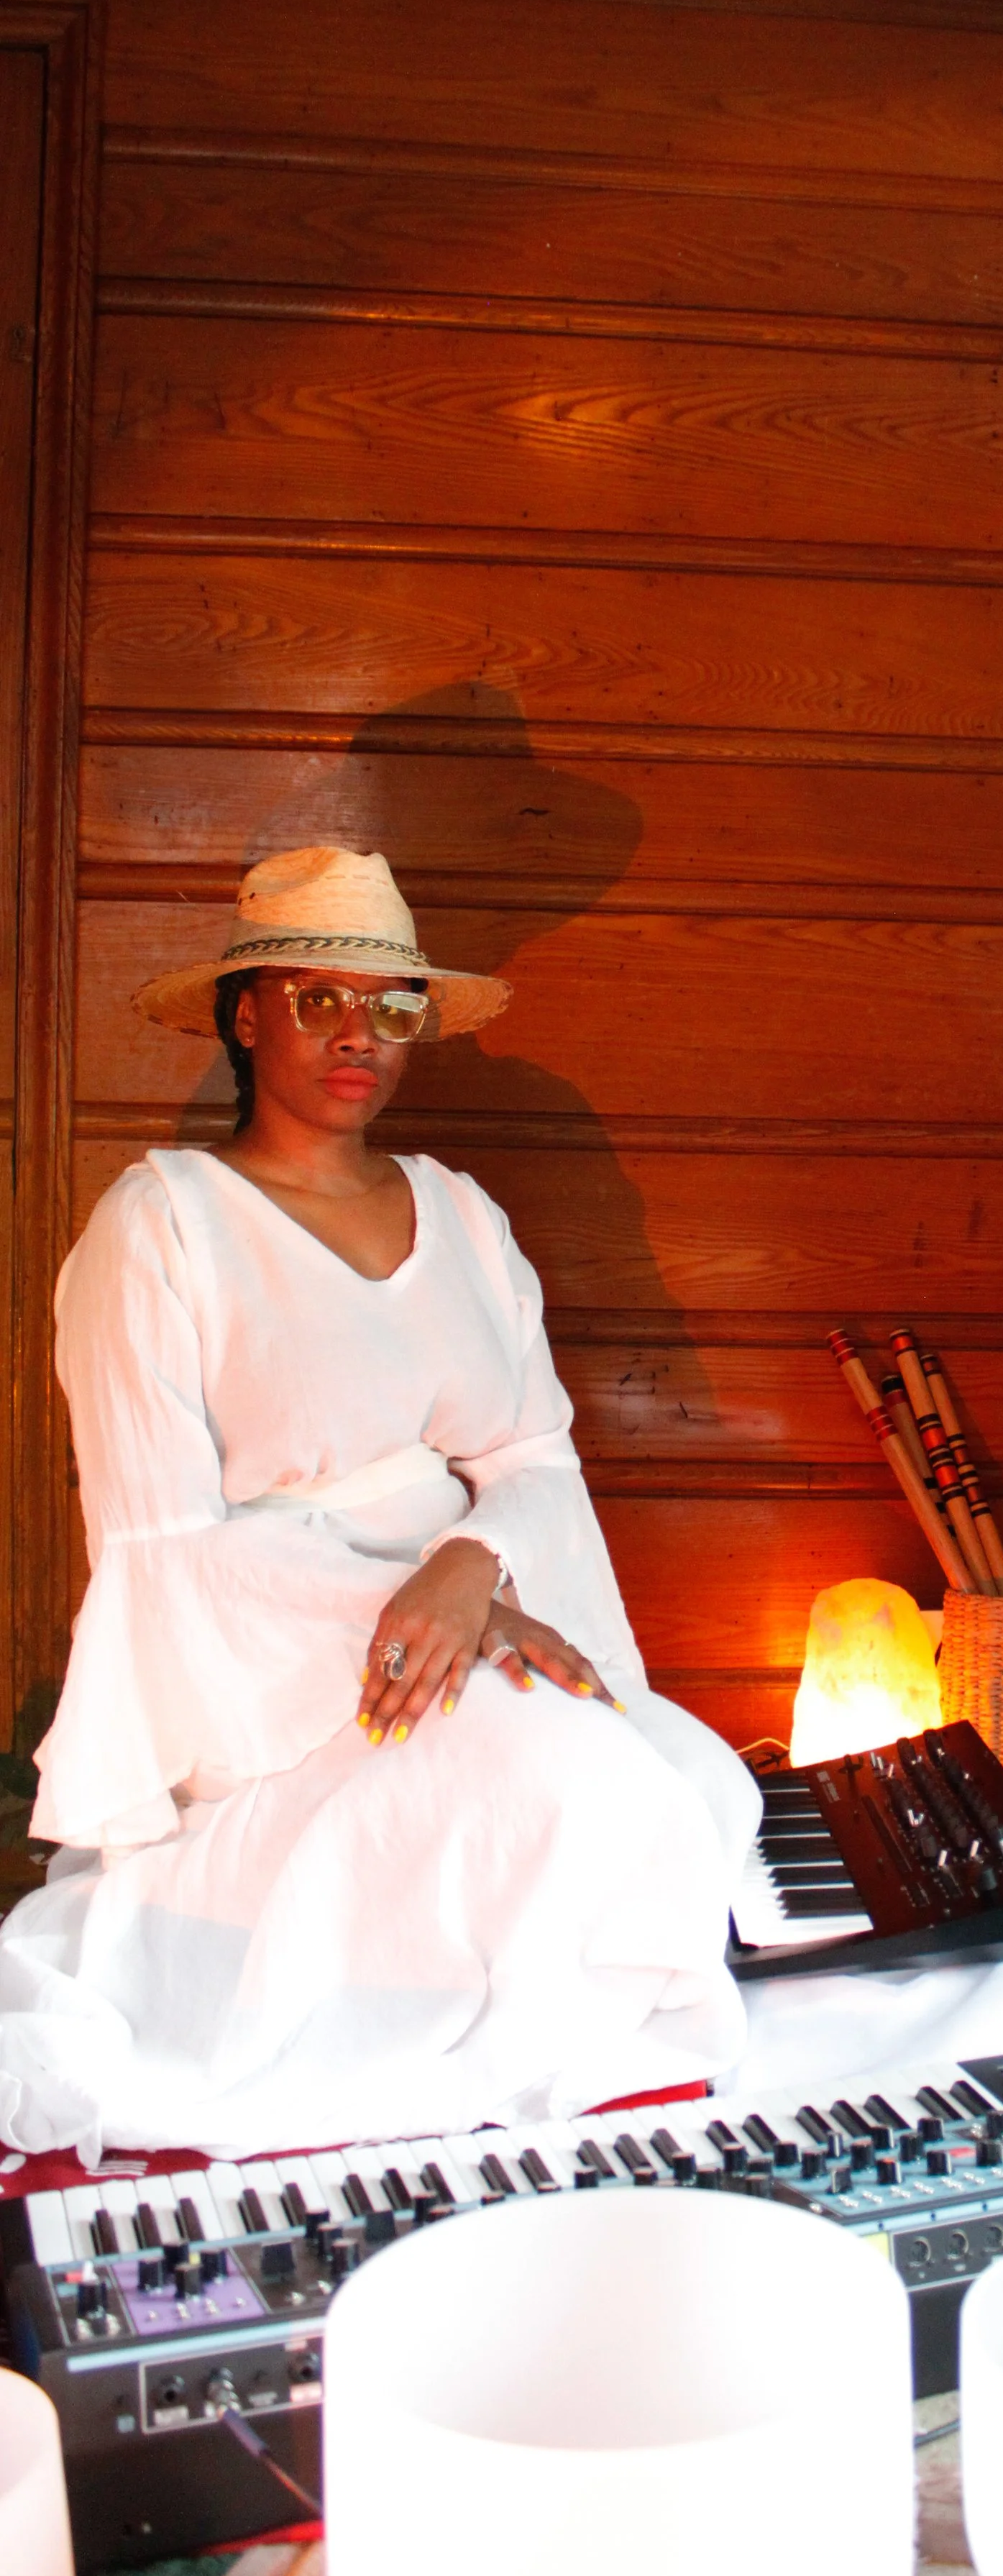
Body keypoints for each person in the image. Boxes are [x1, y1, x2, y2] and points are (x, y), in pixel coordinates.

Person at [0, 846, 759, 2162]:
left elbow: (533, 1458)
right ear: (247, 1014)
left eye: (393, 1005)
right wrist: (429, 1612)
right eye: (319, 999)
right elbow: (161, 1547)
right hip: (287, 1678)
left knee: (699, 1787)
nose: (361, 1035)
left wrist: (477, 1577)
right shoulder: (161, 1223)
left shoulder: (462, 1215)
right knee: (578, 1792)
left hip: (482, 1620)